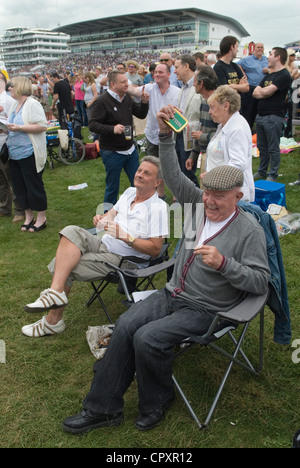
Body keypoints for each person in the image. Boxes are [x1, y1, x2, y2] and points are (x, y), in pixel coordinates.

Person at [60, 106, 270, 435]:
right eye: (208, 194)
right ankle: (102, 409)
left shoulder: (249, 231)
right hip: (172, 294)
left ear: (238, 196)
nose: (211, 202)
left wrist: (225, 264)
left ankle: (157, 401)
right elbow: (172, 175)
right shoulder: (198, 203)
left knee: (148, 338)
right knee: (126, 324)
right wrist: (167, 135)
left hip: (208, 308)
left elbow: (261, 281)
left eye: (220, 197)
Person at [22, 156, 169, 337]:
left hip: (126, 259)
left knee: (64, 264)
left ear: (157, 182)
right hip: (103, 243)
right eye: (139, 170)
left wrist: (126, 237)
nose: (139, 175)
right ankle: (55, 294)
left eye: (147, 173)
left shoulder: (158, 208)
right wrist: (102, 219)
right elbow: (112, 214)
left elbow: (155, 249)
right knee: (71, 231)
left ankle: (53, 321)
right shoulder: (130, 192)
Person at [89, 70, 149, 208]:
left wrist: (145, 103)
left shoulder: (126, 97)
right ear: (113, 84)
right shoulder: (102, 101)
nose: (126, 84)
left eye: (127, 81)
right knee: (112, 187)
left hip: (130, 149)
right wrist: (112, 129)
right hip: (112, 152)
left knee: (138, 183)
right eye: (123, 82)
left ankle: (138, 211)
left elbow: (140, 114)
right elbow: (92, 124)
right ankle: (108, 218)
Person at [129, 62, 180, 198]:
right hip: (152, 136)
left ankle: (176, 196)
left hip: (170, 137)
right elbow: (133, 91)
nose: (157, 74)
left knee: (173, 168)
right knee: (154, 168)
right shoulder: (149, 89)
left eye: (160, 72)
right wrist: (121, 82)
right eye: (155, 72)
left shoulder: (177, 92)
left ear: (169, 75)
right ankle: (160, 196)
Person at [6, 76, 48, 232]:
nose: (9, 88)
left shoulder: (32, 104)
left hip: (29, 153)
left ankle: (41, 218)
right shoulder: (16, 105)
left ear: (20, 87)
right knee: (19, 188)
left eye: (12, 86)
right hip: (14, 154)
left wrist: (20, 128)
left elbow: (42, 126)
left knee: (34, 186)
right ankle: (28, 216)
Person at [203, 85, 255, 202]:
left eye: (212, 107)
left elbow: (239, 163)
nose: (209, 112)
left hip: (231, 195)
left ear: (226, 106)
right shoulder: (224, 124)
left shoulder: (237, 128)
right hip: (220, 190)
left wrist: (212, 175)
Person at [253, 47, 292, 181]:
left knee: (273, 148)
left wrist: (263, 92)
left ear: (278, 57)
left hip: (274, 117)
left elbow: (263, 92)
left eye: (270, 54)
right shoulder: (268, 76)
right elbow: (256, 92)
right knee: (262, 147)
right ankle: (262, 171)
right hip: (261, 116)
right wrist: (264, 92)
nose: (267, 57)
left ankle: (272, 174)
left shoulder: (284, 75)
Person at [185, 66, 218, 181]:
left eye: (195, 81)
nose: (193, 84)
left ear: (201, 83)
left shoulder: (220, 103)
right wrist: (193, 156)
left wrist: (202, 137)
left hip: (216, 158)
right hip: (205, 155)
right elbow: (201, 130)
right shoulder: (204, 102)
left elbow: (224, 135)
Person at [0, 71, 25, 223]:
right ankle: (4, 207)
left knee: (12, 179)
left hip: (6, 144)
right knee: (1, 181)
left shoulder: (8, 100)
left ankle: (20, 210)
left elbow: (15, 120)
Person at [174, 54, 201, 186]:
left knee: (188, 174)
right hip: (180, 135)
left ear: (186, 67)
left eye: (177, 67)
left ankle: (195, 204)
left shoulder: (200, 85)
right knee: (181, 172)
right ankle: (184, 201)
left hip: (193, 137)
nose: (174, 71)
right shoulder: (183, 88)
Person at [237, 43, 269, 131]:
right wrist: (243, 74)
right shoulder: (247, 59)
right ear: (254, 49)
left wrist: (268, 70)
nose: (260, 49)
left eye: (261, 47)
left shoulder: (266, 60)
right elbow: (237, 65)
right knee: (248, 113)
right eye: (258, 47)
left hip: (262, 90)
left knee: (260, 113)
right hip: (250, 90)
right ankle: (247, 131)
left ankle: (258, 133)